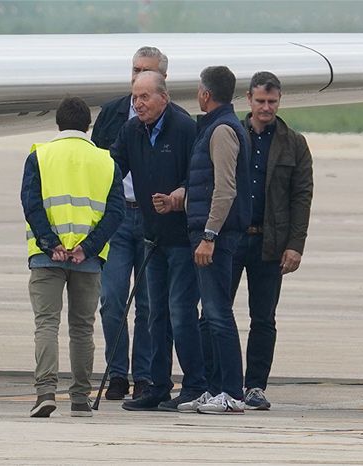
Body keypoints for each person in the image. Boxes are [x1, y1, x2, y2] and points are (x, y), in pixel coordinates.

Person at [110, 71, 208, 412]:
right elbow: (113, 168)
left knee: (181, 312)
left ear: (163, 98)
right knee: (155, 316)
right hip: (151, 236)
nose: (138, 103)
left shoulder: (183, 128)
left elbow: (199, 176)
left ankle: (195, 385)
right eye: (135, 97)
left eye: (145, 97)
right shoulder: (131, 130)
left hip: (182, 238)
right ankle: (157, 386)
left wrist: (180, 195)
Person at [21, 97, 124, 418]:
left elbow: (31, 204)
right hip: (88, 261)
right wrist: (87, 247)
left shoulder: (39, 155)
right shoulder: (106, 161)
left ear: (58, 123)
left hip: (45, 256)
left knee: (46, 324)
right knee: (82, 328)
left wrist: (51, 243)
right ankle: (80, 397)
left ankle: (45, 392)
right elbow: (115, 213)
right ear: (88, 125)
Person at [91, 46, 169, 400]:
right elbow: (96, 165)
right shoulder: (111, 114)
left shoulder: (175, 119)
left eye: (146, 71)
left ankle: (144, 375)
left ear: (162, 79)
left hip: (154, 217)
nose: (138, 76)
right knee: (111, 299)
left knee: (149, 303)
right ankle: (117, 372)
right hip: (118, 216)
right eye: (135, 69)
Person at [233, 71, 313, 410]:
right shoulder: (230, 134)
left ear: (279, 102)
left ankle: (255, 385)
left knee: (263, 318)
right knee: (215, 313)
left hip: (271, 243)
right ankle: (217, 380)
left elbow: (302, 196)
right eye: (261, 101)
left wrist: (295, 245)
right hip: (232, 239)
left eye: (272, 101)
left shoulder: (294, 143)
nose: (266, 107)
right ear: (248, 100)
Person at [178, 66, 251, 414]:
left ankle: (232, 392)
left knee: (219, 313)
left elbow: (225, 189)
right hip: (206, 232)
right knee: (210, 315)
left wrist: (209, 235)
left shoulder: (222, 130)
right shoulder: (213, 127)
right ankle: (213, 388)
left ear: (206, 94)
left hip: (216, 237)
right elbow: (204, 184)